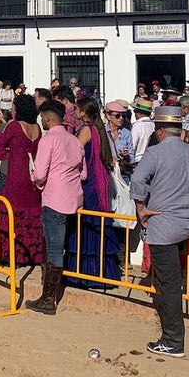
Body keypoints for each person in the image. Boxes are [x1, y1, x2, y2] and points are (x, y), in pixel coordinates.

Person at [130, 105, 189, 358]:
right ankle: (172, 338)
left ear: (160, 130)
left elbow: (138, 180)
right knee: (173, 281)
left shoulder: (154, 153)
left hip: (163, 226)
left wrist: (141, 208)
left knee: (169, 285)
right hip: (187, 222)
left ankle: (173, 340)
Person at [28, 100, 86, 315]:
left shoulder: (48, 140)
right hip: (73, 198)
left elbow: (41, 174)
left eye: (43, 117)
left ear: (48, 118)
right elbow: (83, 173)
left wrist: (35, 177)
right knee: (59, 246)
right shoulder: (74, 140)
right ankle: (50, 295)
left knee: (53, 248)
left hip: (54, 199)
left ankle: (48, 298)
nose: (42, 121)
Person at [64, 98, 122, 287]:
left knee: (86, 223)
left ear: (82, 112)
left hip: (89, 183)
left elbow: (74, 152)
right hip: (99, 181)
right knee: (97, 224)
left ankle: (84, 272)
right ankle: (101, 272)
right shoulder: (99, 129)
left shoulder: (87, 129)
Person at [0, 93, 43, 267]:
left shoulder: (15, 126)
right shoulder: (37, 128)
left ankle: (11, 254)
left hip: (17, 175)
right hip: (32, 177)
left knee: (11, 212)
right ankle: (32, 254)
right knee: (31, 211)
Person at [130, 99, 155, 165]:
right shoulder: (154, 124)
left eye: (135, 111)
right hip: (153, 159)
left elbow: (132, 145)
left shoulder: (137, 125)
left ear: (139, 113)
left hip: (140, 160)